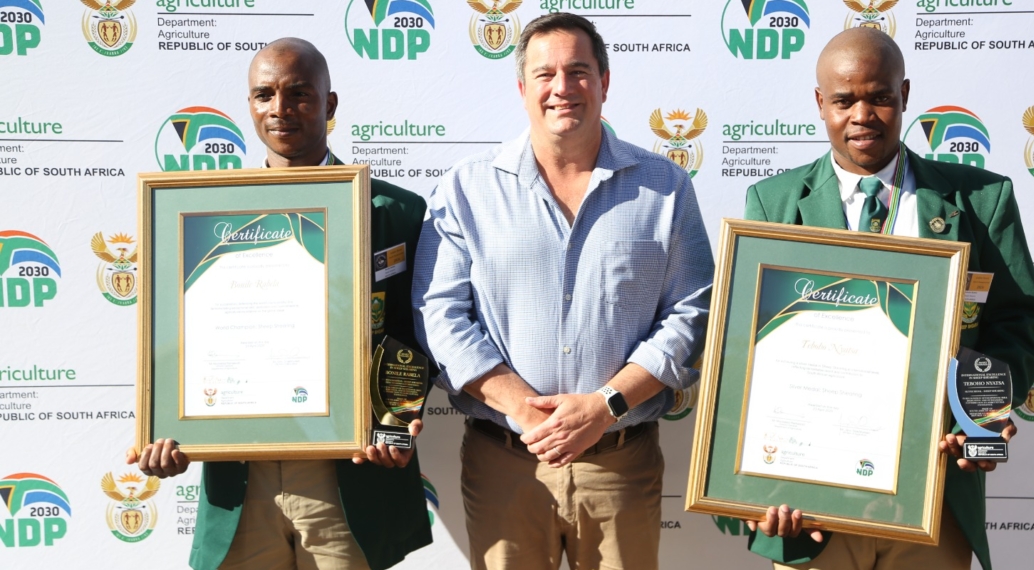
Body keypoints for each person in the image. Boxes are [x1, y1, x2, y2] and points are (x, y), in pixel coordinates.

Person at [741, 27, 1034, 570]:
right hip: (812, 506)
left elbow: (1018, 321)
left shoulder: (979, 199)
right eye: (844, 100)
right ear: (820, 104)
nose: (863, 114)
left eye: (880, 96)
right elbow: (746, 345)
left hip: (931, 501)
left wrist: (977, 415)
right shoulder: (772, 202)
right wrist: (752, 485)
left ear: (904, 95)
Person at [412, 13, 714, 570]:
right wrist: (527, 412)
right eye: (545, 73)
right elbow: (440, 314)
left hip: (620, 468)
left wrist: (605, 406)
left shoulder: (666, 186)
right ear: (522, 87)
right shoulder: (467, 187)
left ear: (605, 80)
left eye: (578, 71)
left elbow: (692, 313)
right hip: (507, 464)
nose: (562, 87)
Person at [127, 38, 432, 570]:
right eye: (263, 94)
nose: (279, 109)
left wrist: (393, 421)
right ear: (248, 105)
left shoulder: (394, 211)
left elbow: (419, 337)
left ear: (329, 105)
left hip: (348, 475)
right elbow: (178, 341)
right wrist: (165, 430)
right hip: (241, 477)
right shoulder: (198, 215)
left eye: (298, 94)